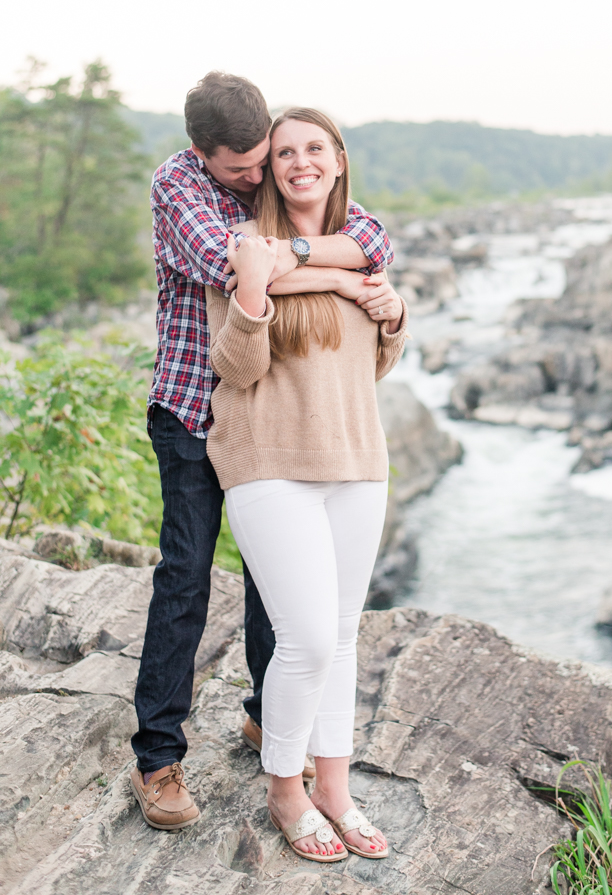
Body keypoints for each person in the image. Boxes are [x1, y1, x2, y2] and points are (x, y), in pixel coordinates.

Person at [130, 74, 396, 831]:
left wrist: (334, 270)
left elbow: (372, 238)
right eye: (241, 170)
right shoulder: (178, 187)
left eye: (262, 162)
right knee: (185, 575)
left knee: (274, 580)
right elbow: (232, 269)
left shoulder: (279, 175)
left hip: (271, 421)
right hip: (190, 406)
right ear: (200, 153)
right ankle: (158, 758)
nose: (257, 180)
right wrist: (346, 281)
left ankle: (264, 717)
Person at [205, 108, 407, 862]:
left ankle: (336, 788)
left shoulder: (365, 246)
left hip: (357, 461)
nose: (299, 161)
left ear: (337, 158)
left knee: (345, 638)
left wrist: (390, 315)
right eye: (285, 151)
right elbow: (237, 368)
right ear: (270, 166)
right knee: (308, 639)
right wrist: (258, 293)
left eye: (313, 148)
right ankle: (285, 790)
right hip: (269, 464)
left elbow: (371, 367)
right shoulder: (246, 247)